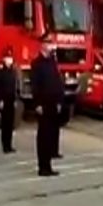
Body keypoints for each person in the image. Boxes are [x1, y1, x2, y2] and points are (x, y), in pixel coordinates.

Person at [31, 32, 64, 177]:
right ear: (43, 44)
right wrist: (37, 103)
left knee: (51, 134)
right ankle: (42, 165)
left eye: (52, 42)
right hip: (43, 104)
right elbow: (35, 85)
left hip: (53, 104)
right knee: (43, 135)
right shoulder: (36, 63)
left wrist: (59, 101)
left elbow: (57, 83)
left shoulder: (52, 62)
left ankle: (49, 164)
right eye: (48, 42)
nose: (51, 45)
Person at [0, 47, 19, 154]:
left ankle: (9, 144)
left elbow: (14, 86)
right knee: (5, 124)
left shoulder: (12, 70)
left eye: (10, 57)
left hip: (11, 99)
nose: (9, 59)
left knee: (10, 123)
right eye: (7, 57)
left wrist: (16, 99)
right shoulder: (0, 69)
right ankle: (5, 145)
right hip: (3, 99)